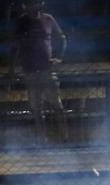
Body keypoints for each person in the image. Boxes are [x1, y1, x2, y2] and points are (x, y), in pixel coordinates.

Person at [11, 0, 67, 141]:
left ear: (40, 4)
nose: (33, 6)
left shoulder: (47, 19)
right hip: (29, 69)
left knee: (57, 106)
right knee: (36, 108)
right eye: (30, 4)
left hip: (47, 69)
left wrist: (59, 58)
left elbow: (61, 38)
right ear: (25, 5)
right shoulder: (22, 22)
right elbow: (14, 45)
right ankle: (42, 139)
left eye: (35, 3)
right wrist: (12, 67)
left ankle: (64, 137)